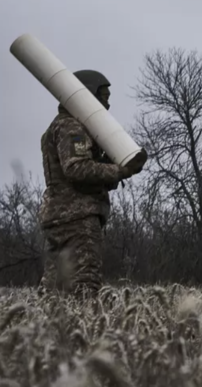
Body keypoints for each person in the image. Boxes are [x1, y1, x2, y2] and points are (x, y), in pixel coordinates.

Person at [39, 69, 146, 298]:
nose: (106, 104)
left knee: (54, 289)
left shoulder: (59, 125)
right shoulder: (72, 127)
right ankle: (80, 332)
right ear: (87, 95)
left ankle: (46, 331)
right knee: (84, 286)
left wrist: (110, 163)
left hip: (59, 217)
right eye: (103, 96)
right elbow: (77, 169)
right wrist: (120, 170)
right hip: (78, 219)